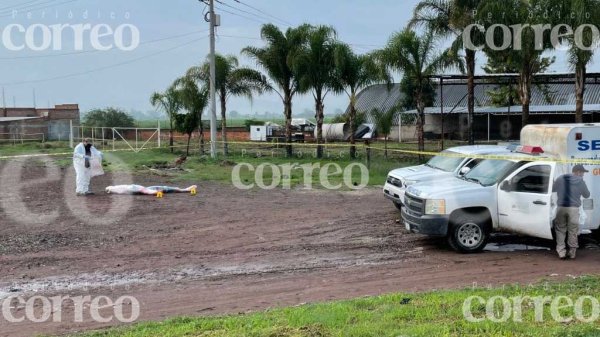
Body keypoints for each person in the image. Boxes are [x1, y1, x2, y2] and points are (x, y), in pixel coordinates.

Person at [553, 164, 590, 259]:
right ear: (577, 171)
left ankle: (561, 252)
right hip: (574, 209)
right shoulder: (580, 181)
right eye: (582, 173)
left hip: (561, 207)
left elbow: (553, 189)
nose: (583, 175)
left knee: (560, 230)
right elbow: (586, 195)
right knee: (572, 231)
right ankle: (572, 253)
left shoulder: (560, 178)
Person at [105, 184, 197, 195]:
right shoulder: (116, 189)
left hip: (138, 187)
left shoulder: (115, 189)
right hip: (135, 188)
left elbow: (143, 190)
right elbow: (142, 190)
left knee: (164, 188)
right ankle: (185, 189)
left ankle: (185, 189)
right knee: (164, 188)